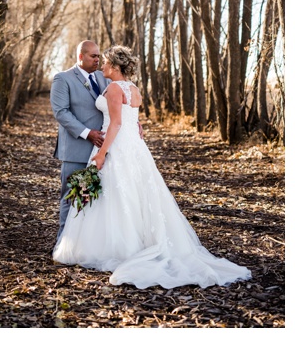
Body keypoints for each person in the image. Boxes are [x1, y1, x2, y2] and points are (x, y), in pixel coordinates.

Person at [52, 45, 252, 288]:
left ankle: (114, 247)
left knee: (115, 195)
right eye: (97, 59)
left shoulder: (114, 88)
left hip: (114, 145)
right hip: (132, 147)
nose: (101, 65)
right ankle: (135, 241)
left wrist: (103, 153)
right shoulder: (133, 89)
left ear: (115, 66)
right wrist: (132, 126)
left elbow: (115, 124)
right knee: (132, 194)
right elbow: (126, 118)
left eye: (104, 62)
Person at [49, 40, 109, 243]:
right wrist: (86, 133)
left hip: (100, 151)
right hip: (76, 149)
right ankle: (63, 244)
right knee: (71, 197)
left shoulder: (102, 77)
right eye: (93, 56)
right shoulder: (63, 79)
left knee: (93, 199)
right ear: (81, 56)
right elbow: (61, 112)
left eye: (99, 56)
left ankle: (86, 245)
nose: (97, 60)